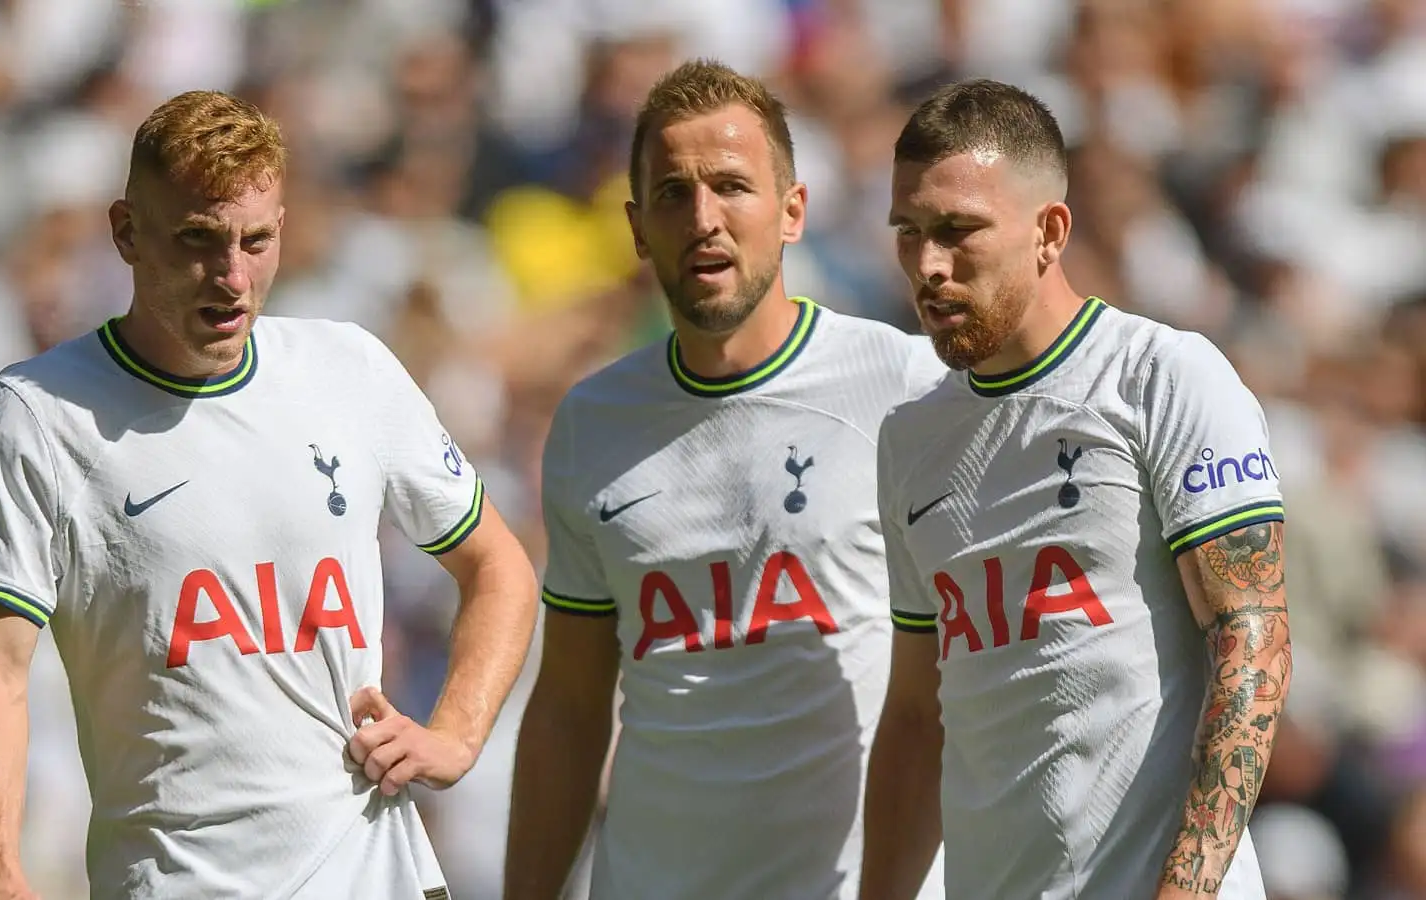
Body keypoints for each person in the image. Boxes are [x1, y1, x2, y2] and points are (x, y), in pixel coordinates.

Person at [0, 90, 538, 899]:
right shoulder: (38, 412)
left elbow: (498, 566)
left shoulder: (349, 368)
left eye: (256, 241)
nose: (232, 276)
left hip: (378, 876)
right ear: (126, 232)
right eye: (198, 241)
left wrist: (457, 732)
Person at [503, 59, 948, 900]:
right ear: (637, 228)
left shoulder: (906, 388)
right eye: (674, 193)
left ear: (792, 212)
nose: (703, 219)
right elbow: (568, 705)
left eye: (732, 186)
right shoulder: (591, 424)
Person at [861, 78, 1291, 900]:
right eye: (908, 233)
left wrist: (1187, 891)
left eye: (958, 231)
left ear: (1049, 231)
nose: (928, 266)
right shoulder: (908, 439)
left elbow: (1253, 641)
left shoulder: (1162, 376)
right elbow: (919, 719)